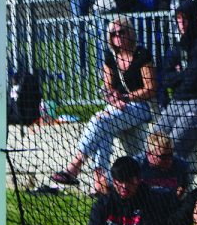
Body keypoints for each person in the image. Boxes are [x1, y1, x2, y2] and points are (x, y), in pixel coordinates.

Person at [52, 16, 154, 187]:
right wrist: (113, 98)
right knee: (103, 130)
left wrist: (126, 97)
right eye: (113, 34)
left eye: (122, 32)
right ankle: (100, 184)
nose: (118, 36)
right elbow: (107, 88)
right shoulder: (110, 56)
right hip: (117, 107)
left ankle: (74, 166)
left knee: (98, 120)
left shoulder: (141, 54)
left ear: (130, 33)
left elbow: (150, 89)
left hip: (140, 106)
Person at [154, 0, 197, 163]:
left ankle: (173, 185)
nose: (182, 24)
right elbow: (165, 78)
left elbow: (194, 79)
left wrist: (180, 76)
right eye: (178, 19)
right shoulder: (179, 46)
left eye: (185, 18)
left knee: (171, 146)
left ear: (194, 18)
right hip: (178, 101)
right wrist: (183, 74)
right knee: (154, 140)